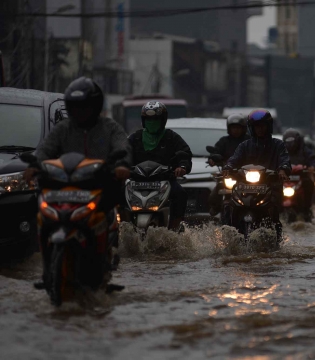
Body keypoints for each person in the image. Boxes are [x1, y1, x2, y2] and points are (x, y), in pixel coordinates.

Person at [24, 77, 132, 288]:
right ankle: (48, 272)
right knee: (42, 216)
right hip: (62, 185)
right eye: (76, 107)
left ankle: (103, 264)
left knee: (109, 214)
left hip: (98, 185)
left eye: (85, 107)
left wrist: (121, 165)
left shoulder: (110, 127)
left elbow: (123, 146)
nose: (80, 112)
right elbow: (46, 148)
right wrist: (35, 165)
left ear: (95, 106)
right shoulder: (63, 128)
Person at [128, 101, 193, 231]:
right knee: (115, 193)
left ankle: (174, 228)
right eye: (148, 119)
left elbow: (184, 153)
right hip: (137, 181)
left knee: (180, 194)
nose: (152, 122)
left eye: (155, 119)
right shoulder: (135, 138)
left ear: (162, 120)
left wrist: (182, 167)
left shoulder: (171, 137)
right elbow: (123, 153)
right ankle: (119, 227)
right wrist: (120, 167)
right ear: (143, 120)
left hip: (165, 180)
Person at [224, 109, 291, 234]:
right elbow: (234, 159)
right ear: (251, 128)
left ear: (268, 126)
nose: (259, 129)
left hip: (270, 185)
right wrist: (228, 167)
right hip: (244, 186)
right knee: (229, 205)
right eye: (256, 126)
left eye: (262, 126)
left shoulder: (278, 145)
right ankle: (229, 235)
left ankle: (275, 238)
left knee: (274, 209)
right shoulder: (244, 145)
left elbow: (284, 159)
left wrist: (283, 170)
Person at [208, 114, 250, 216]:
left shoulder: (250, 141)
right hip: (228, 175)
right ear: (229, 128)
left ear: (243, 128)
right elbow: (216, 151)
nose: (235, 130)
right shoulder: (224, 141)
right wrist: (212, 159)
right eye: (233, 128)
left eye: (238, 128)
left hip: (248, 176)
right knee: (217, 190)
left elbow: (259, 154)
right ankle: (216, 207)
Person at [283, 128, 315, 221]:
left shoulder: (305, 151)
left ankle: (306, 208)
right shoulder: (282, 152)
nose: (290, 145)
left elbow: (313, 159)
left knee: (309, 183)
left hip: (301, 178)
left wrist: (311, 167)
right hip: (284, 179)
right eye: (288, 142)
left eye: (292, 142)